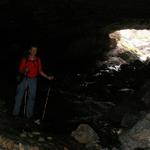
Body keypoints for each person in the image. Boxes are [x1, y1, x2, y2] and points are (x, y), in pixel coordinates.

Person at [13, 46, 54, 119]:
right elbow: (20, 70)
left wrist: (47, 77)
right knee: (19, 96)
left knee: (32, 97)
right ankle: (15, 114)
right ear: (30, 51)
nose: (34, 52)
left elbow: (40, 71)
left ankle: (29, 115)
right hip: (24, 79)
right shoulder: (25, 59)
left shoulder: (38, 60)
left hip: (33, 80)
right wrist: (24, 70)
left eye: (36, 50)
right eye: (33, 50)